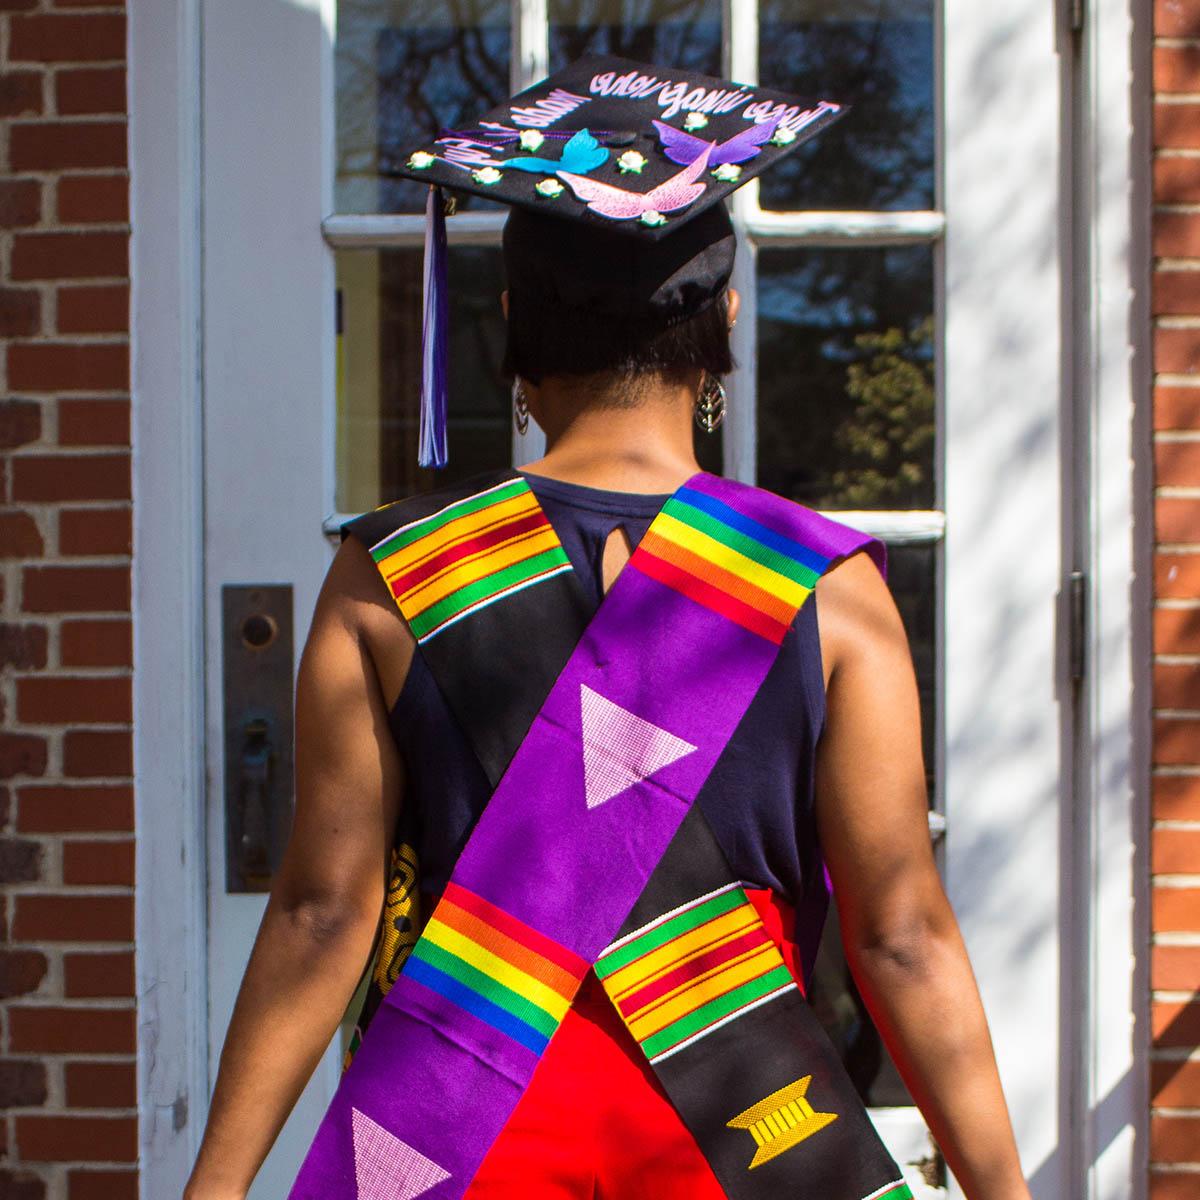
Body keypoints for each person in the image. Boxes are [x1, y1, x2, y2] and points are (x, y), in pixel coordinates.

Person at [185, 57, 1032, 1200]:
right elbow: (903, 939)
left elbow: (320, 911)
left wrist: (214, 1187)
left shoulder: (388, 575)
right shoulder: (827, 589)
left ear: (511, 338)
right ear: (724, 319)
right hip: (741, 1150)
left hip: (451, 1153)